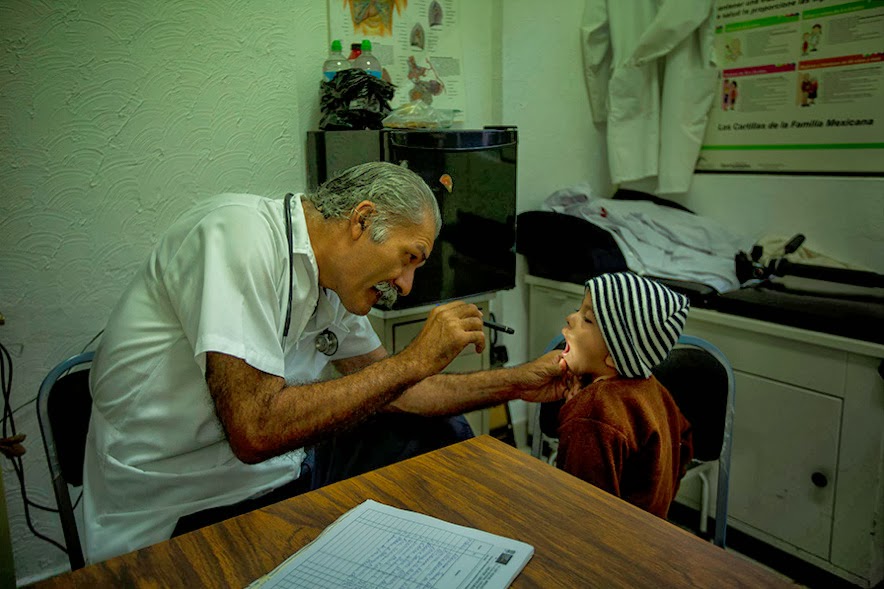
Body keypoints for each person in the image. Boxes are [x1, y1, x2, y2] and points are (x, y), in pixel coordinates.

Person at [83, 161, 565, 563]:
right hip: (181, 504)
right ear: (361, 220)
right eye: (409, 258)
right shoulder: (238, 237)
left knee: (439, 432)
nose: (405, 285)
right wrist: (413, 360)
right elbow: (254, 431)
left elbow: (404, 394)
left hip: (277, 472)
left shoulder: (333, 283)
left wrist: (520, 381)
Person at [552, 272, 693, 519]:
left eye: (587, 319)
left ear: (618, 354)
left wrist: (579, 412)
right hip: (647, 536)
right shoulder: (655, 389)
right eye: (578, 310)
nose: (571, 318)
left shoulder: (593, 410)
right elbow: (685, 443)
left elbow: (578, 513)